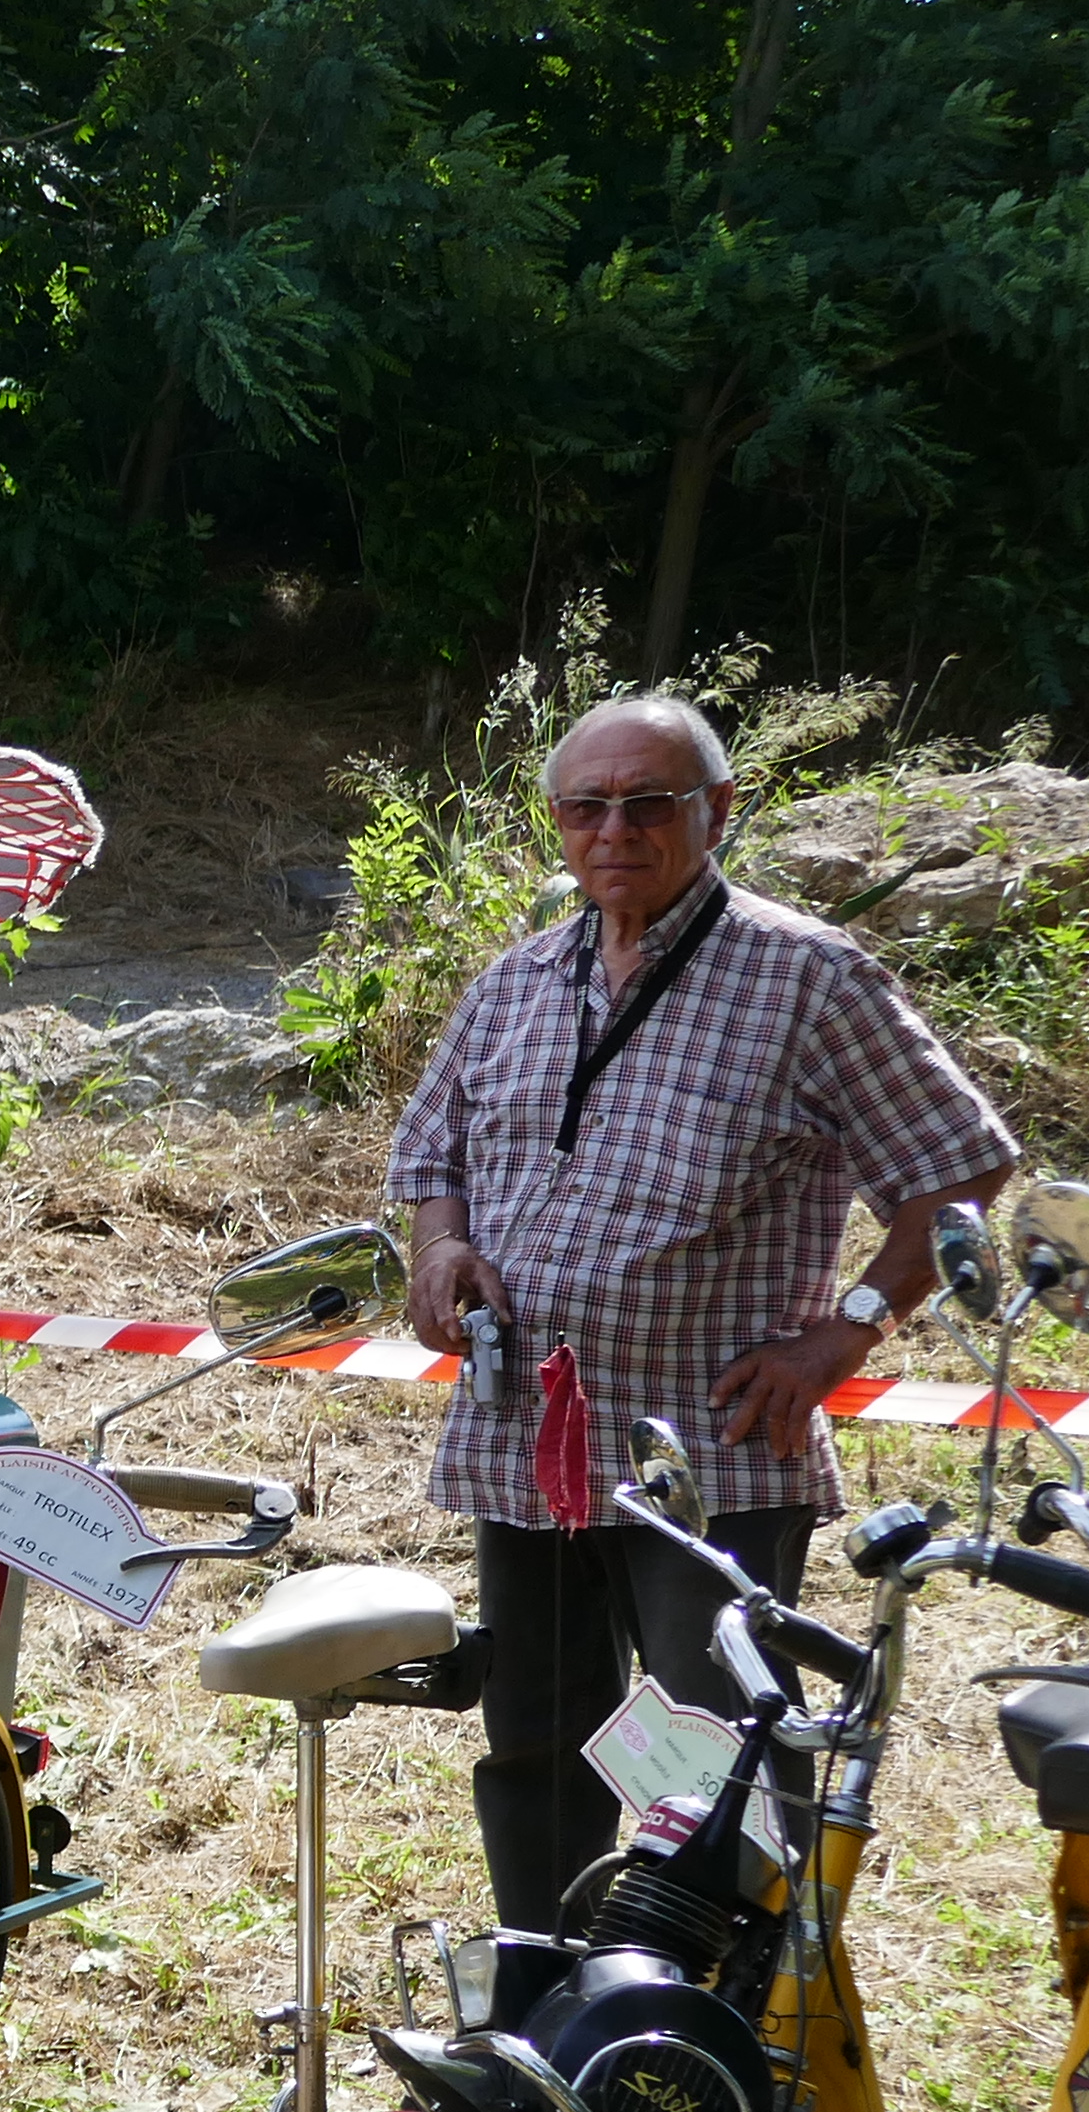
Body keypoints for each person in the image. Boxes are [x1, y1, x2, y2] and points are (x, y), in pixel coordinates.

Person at [392, 692, 1018, 1933]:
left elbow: (961, 1170)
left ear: (717, 811)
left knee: (714, 1748)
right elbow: (431, 1152)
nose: (613, 829)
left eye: (648, 803)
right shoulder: (519, 980)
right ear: (557, 822)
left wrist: (847, 1331)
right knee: (537, 1738)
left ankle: (718, 2013)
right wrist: (442, 1246)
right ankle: (551, 1984)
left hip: (710, 1448)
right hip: (525, 1439)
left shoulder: (808, 977)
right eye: (586, 806)